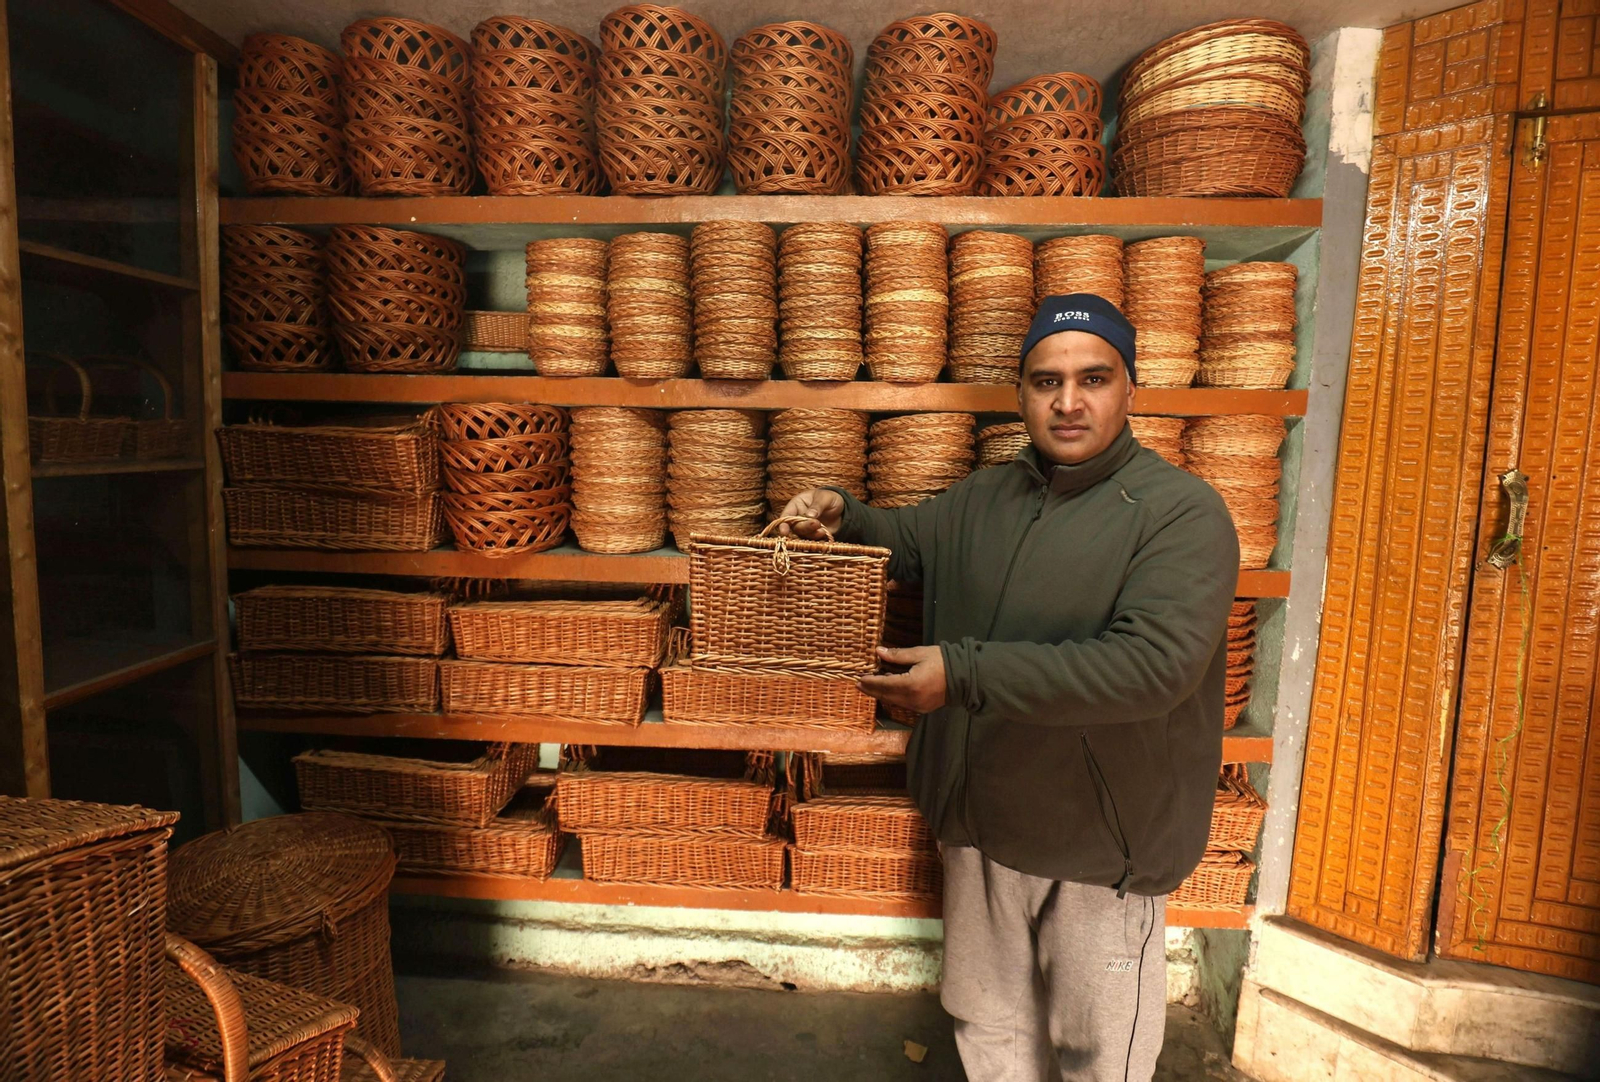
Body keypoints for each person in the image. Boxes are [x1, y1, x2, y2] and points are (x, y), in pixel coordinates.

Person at [780, 293, 1239, 1082]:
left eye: (1092, 378)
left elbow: (1152, 665)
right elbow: (909, 542)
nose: (1067, 401)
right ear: (1020, 392)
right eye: (1044, 381)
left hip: (1097, 844)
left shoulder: (1180, 514)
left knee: (1096, 1057)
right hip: (980, 825)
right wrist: (842, 513)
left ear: (1133, 388)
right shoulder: (986, 496)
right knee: (989, 1030)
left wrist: (963, 673)